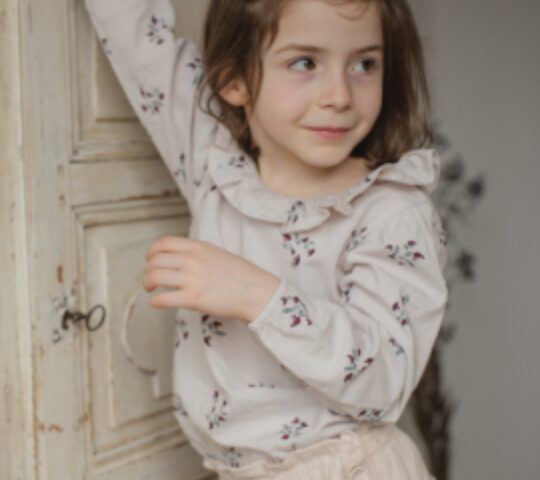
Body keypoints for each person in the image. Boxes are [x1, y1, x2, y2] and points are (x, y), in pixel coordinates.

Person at [84, 0, 448, 478]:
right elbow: (134, 37)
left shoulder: (391, 212)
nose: (340, 95)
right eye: (305, 62)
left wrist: (258, 296)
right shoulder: (216, 163)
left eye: (364, 64)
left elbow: (383, 382)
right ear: (234, 78)